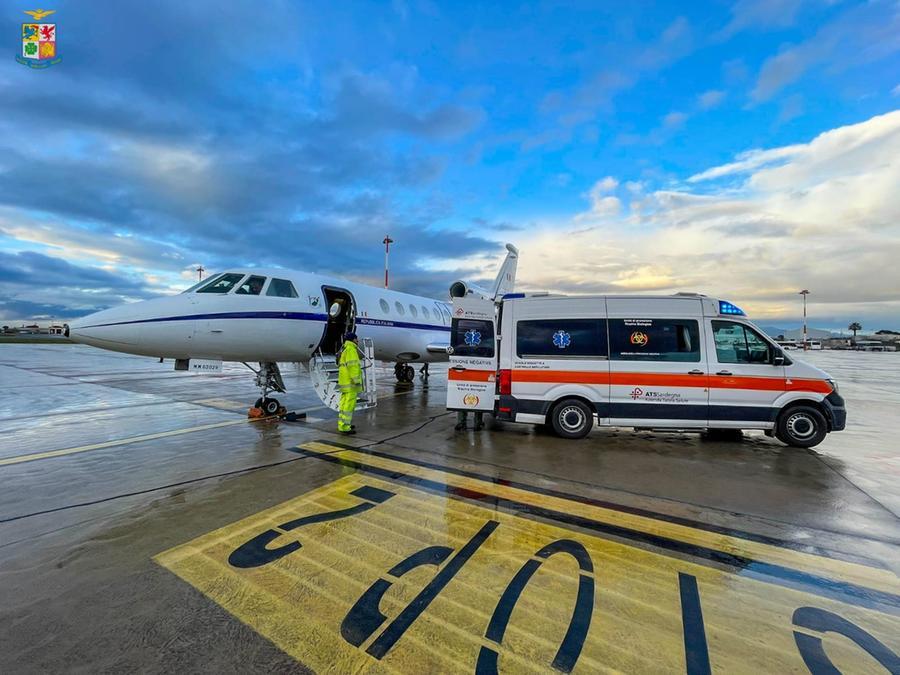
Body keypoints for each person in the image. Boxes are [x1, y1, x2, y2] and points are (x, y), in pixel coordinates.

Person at [337, 332, 362, 435]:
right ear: (353, 339)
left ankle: (342, 424)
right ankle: (345, 427)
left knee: (343, 404)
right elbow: (353, 366)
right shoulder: (351, 349)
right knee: (349, 405)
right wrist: (357, 380)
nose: (358, 341)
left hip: (344, 381)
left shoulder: (344, 348)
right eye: (357, 339)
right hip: (351, 383)